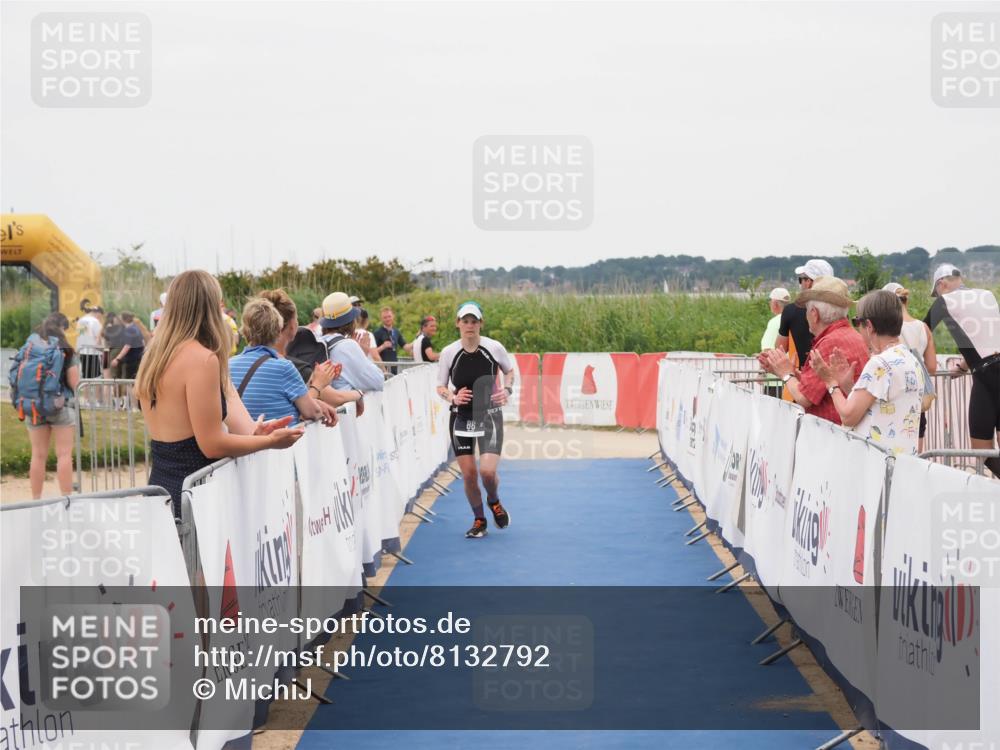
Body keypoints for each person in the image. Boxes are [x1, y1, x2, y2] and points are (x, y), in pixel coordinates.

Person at [135, 270, 305, 515]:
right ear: (211, 308)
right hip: (196, 493)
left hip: (160, 489)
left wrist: (255, 436)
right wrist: (268, 442)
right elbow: (211, 444)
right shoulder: (202, 359)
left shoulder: (153, 356)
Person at [810, 291, 923, 456]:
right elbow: (879, 403)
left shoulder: (879, 364)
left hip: (877, 463)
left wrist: (830, 382)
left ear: (869, 326)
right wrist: (849, 387)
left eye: (857, 322)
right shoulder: (910, 359)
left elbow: (848, 416)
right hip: (904, 461)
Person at [436, 301, 514, 539]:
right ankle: (479, 520)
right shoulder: (449, 352)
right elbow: (440, 386)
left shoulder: (494, 347)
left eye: (474, 321)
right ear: (458, 324)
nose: (469, 325)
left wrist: (507, 390)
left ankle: (494, 501)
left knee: (487, 473)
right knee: (469, 475)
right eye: (465, 321)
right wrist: (453, 396)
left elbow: (509, 371)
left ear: (481, 323)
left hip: (489, 415)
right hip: (461, 418)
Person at [923, 263, 1000, 478]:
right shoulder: (986, 295)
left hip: (986, 375)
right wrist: (964, 365)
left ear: (942, 284)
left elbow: (922, 331)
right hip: (990, 368)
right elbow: (988, 339)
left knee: (981, 448)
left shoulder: (945, 301)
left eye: (936, 291)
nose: (936, 295)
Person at [758, 276, 869, 424]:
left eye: (807, 311)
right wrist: (791, 372)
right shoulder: (852, 335)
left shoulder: (829, 343)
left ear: (814, 314)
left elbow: (804, 398)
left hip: (831, 433)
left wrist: (786, 374)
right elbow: (818, 387)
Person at [228, 297, 338, 425]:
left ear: (245, 330)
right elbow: (312, 413)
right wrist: (317, 388)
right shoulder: (283, 367)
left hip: (245, 442)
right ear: (277, 330)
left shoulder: (228, 365)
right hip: (282, 442)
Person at [257, 288, 362, 411]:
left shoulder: (234, 364)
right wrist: (359, 394)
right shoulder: (288, 366)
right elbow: (320, 404)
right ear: (292, 326)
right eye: (296, 319)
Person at [18, 314, 79, 498]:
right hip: (62, 406)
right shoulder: (66, 350)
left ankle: (36, 499)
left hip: (34, 406)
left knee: (37, 455)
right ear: (62, 328)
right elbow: (74, 382)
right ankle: (66, 498)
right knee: (63, 454)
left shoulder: (31, 349)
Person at [884, 282, 937, 451]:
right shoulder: (923, 327)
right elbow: (932, 366)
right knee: (916, 454)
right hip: (917, 396)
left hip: (893, 395)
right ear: (906, 301)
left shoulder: (888, 328)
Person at [319, 292, 385, 393]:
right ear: (351, 320)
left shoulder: (321, 341)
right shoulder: (347, 346)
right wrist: (363, 354)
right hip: (342, 406)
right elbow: (378, 381)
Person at [776, 259, 834, 367]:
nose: (801, 284)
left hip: (803, 375)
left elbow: (780, 349)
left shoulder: (791, 311)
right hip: (834, 374)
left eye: (800, 280)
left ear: (808, 282)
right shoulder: (839, 311)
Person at [760, 288, 790, 398]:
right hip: (791, 380)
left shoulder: (774, 322)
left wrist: (761, 373)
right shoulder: (795, 319)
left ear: (775, 304)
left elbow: (767, 352)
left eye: (770, 301)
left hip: (774, 381)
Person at [113, 312, 146, 379]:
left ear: (123, 320)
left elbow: (127, 346)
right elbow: (143, 343)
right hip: (138, 358)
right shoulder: (135, 328)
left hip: (131, 360)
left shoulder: (129, 330)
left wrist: (117, 359)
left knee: (129, 382)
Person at [76, 306, 104, 379]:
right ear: (98, 313)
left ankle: (85, 390)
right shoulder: (95, 321)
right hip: (93, 352)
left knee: (86, 377)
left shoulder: (81, 320)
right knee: (96, 377)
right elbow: (99, 336)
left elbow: (80, 335)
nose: (100, 318)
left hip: (82, 351)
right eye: (100, 316)